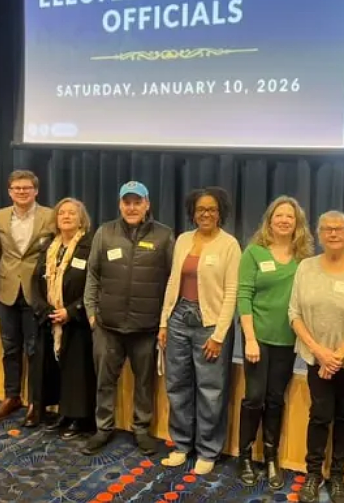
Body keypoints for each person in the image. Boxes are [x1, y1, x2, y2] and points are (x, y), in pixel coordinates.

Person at [81, 181, 174, 456]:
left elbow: (172, 281)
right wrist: (91, 314)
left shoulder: (165, 236)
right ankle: (103, 428)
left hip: (146, 328)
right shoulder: (104, 232)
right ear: (120, 204)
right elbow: (93, 275)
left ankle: (142, 430)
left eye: (137, 202)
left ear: (147, 205)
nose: (131, 207)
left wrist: (163, 321)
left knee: (144, 383)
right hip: (107, 326)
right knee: (104, 381)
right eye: (127, 202)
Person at [289, 211, 344, 503]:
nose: (334, 233)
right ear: (319, 234)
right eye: (327, 229)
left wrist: (336, 356)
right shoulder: (305, 267)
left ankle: (337, 475)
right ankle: (313, 474)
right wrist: (321, 353)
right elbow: (294, 314)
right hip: (316, 359)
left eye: (340, 228)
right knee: (320, 416)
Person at [159, 186, 241, 475]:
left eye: (212, 209)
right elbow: (173, 281)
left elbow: (232, 292)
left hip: (210, 324)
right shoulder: (182, 240)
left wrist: (219, 335)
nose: (206, 214)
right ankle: (182, 445)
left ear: (220, 214)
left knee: (211, 390)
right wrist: (164, 321)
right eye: (201, 209)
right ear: (193, 213)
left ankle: (208, 450)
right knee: (177, 385)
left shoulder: (229, 244)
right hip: (179, 317)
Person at [237, 196, 314, 489]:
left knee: (274, 399)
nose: (284, 220)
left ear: (297, 223)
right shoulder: (254, 253)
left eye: (290, 217)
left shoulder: (304, 259)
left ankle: (271, 458)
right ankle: (244, 457)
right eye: (279, 215)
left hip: (286, 341)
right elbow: (244, 297)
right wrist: (250, 339)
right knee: (253, 397)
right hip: (257, 340)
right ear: (269, 220)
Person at [0, 170, 54, 427]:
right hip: (6, 291)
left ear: (36, 191)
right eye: (17, 188)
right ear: (9, 191)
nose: (22, 192)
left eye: (27, 188)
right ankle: (12, 396)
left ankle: (35, 403)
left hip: (35, 292)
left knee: (34, 349)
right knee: (10, 347)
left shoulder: (50, 216)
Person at [31, 198, 96, 440]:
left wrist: (71, 311)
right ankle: (64, 414)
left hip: (76, 320)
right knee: (57, 370)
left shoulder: (90, 247)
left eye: (72, 213)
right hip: (51, 319)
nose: (66, 217)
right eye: (62, 213)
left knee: (77, 371)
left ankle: (79, 418)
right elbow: (35, 280)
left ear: (82, 219)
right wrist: (44, 309)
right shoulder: (48, 246)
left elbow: (93, 284)